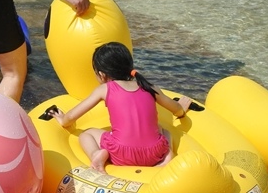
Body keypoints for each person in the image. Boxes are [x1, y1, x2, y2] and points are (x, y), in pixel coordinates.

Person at [48, 42, 192, 171]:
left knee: (87, 133)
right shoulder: (149, 87)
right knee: (165, 131)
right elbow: (177, 110)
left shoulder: (105, 89)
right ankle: (167, 156)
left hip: (120, 154)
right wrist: (181, 108)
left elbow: (71, 118)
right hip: (154, 154)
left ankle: (96, 155)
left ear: (101, 74)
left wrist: (62, 119)